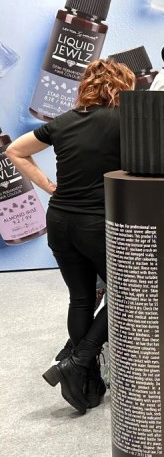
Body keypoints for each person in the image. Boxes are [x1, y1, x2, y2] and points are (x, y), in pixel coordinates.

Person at [6, 59, 135, 414]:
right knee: (126, 295)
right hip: (97, 223)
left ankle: (88, 382)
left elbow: (14, 150)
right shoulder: (125, 119)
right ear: (121, 86)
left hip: (60, 220)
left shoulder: (62, 122)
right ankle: (78, 362)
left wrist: (49, 186)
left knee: (81, 298)